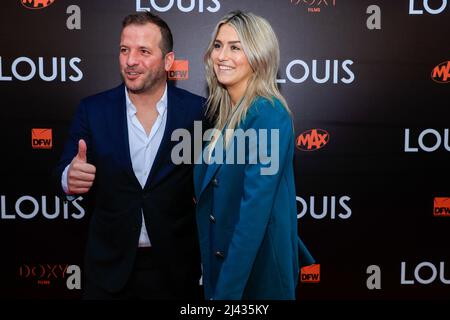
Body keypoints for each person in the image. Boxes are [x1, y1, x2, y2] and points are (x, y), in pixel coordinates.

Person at [55, 11, 205, 299]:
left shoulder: (198, 112)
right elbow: (63, 170)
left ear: (168, 61)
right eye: (125, 50)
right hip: (108, 269)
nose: (131, 60)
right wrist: (69, 177)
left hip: (176, 270)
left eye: (144, 51)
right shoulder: (93, 110)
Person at [193, 11, 314, 300]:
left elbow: (253, 216)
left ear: (259, 55)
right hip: (226, 262)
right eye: (218, 45)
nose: (222, 55)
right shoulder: (224, 114)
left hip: (255, 273)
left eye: (236, 47)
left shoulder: (268, 113)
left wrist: (226, 294)